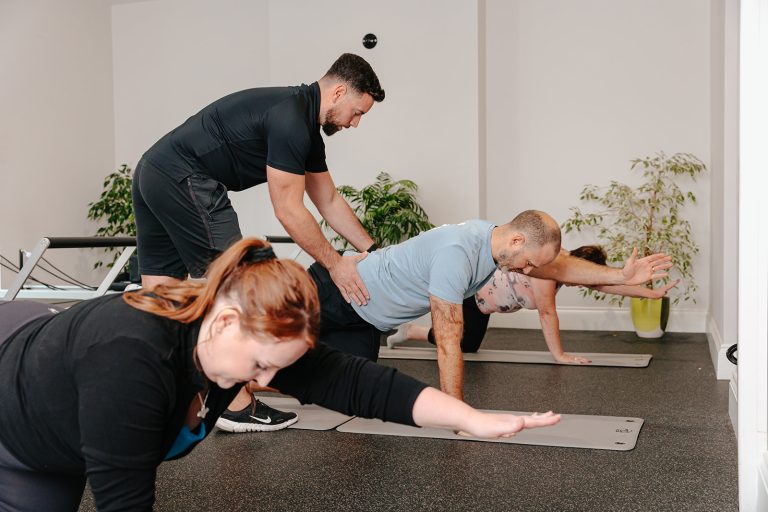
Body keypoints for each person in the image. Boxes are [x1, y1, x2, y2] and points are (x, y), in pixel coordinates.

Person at [0, 239, 560, 512]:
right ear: (222, 321)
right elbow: (125, 501)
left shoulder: (253, 331)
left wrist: (470, 419)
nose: (267, 380)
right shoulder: (130, 361)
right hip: (14, 430)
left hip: (62, 421)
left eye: (277, 367)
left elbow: (361, 385)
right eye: (262, 364)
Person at [132, 52, 385, 429]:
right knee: (241, 285)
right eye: (357, 112)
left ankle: (144, 393)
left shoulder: (304, 129)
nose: (356, 123)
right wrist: (336, 266)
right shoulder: (290, 120)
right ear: (338, 91)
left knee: (161, 295)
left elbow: (329, 201)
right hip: (186, 178)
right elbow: (289, 210)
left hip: (153, 169)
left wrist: (374, 253)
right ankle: (235, 404)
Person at [301, 211, 671, 402]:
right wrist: (457, 410)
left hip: (366, 323)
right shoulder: (457, 253)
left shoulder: (496, 244)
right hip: (338, 292)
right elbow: (448, 340)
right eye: (528, 262)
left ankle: (264, 380)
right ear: (516, 238)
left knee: (341, 387)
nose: (529, 271)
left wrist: (622, 278)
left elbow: (566, 267)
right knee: (258, 348)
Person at [385, 245, 681, 363]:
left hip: (484, 306)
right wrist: (560, 355)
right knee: (457, 341)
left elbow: (608, 284)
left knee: (468, 346)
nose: (584, 284)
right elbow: (546, 312)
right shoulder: (548, 267)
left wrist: (650, 294)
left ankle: (410, 332)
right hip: (469, 294)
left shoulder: (569, 270)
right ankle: (398, 322)